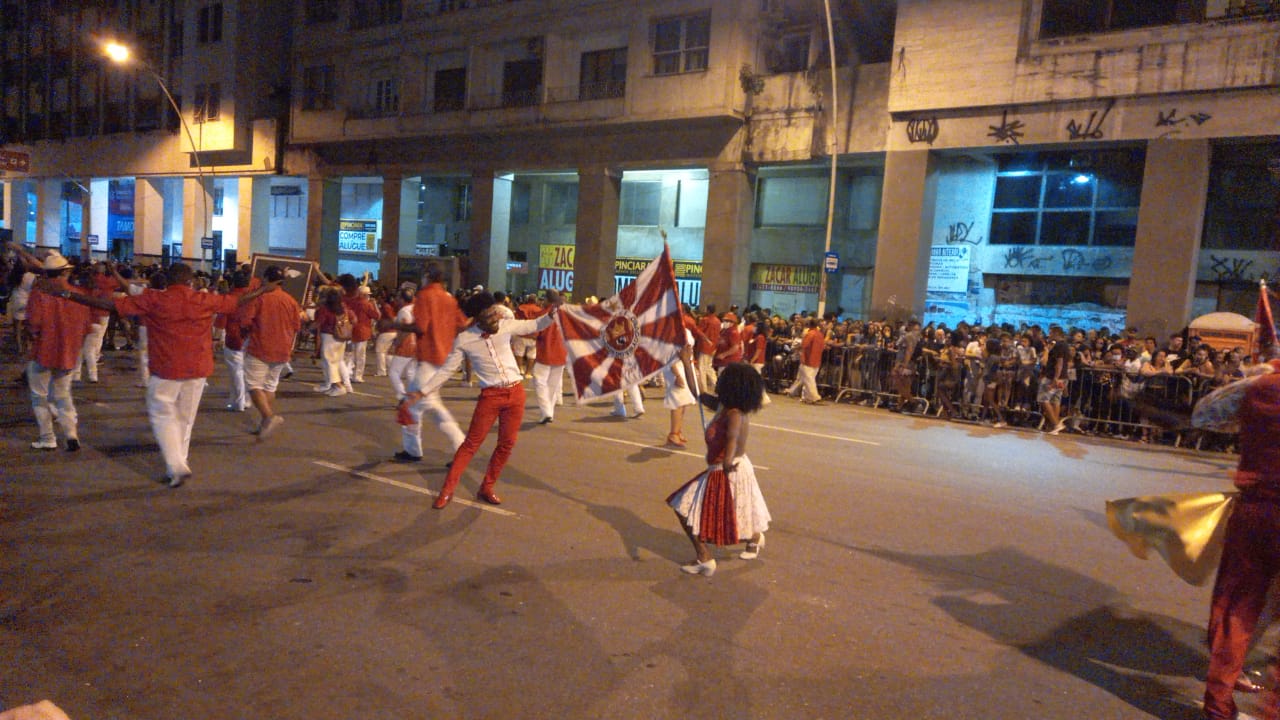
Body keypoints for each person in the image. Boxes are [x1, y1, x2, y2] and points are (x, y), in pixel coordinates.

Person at [50, 262, 274, 486]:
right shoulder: (203, 299)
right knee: (186, 419)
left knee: (162, 415)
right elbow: (236, 301)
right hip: (197, 368)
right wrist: (263, 289)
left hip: (166, 368)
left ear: (167, 281)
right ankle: (180, 462)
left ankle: (176, 465)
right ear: (190, 281)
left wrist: (68, 294)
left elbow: (108, 304)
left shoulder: (154, 299)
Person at [417, 290, 561, 508]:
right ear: (478, 318)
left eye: (495, 312)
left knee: (507, 444)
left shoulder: (505, 324)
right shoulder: (464, 339)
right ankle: (446, 491)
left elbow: (534, 326)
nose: (496, 318)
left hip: (516, 392)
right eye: (490, 316)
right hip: (491, 396)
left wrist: (552, 313)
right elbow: (447, 370)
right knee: (471, 444)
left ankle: (487, 487)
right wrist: (423, 391)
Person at [1201, 356, 1280, 720]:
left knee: (1238, 608)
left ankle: (1218, 704)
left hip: (1255, 510)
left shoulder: (1260, 385)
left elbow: (1205, 414)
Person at [666, 362, 771, 577]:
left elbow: (732, 439)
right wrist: (687, 362)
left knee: (683, 507)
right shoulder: (724, 406)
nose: (719, 382)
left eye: (724, 379)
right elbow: (697, 392)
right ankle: (753, 538)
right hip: (726, 468)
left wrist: (727, 461)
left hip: (726, 470)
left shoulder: (734, 414)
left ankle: (704, 558)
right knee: (733, 513)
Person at [395, 263, 468, 462]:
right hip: (443, 357)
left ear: (427, 275)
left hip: (428, 357)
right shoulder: (449, 298)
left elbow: (420, 327)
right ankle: (460, 447)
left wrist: (397, 325)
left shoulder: (425, 295)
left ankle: (414, 450)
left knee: (412, 406)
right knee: (432, 407)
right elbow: (462, 324)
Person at [24, 251, 92, 451]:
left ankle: (48, 438)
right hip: (68, 354)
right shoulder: (78, 294)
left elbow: (33, 323)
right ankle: (71, 434)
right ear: (65, 273)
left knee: (39, 396)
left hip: (43, 351)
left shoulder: (39, 294)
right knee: (63, 395)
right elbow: (86, 327)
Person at [239, 265, 304, 439]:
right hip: (282, 350)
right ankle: (264, 423)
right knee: (269, 386)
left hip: (261, 347)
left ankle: (269, 417)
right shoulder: (291, 301)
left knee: (253, 385)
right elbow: (297, 326)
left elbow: (245, 321)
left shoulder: (260, 298)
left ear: (266, 279)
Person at [530, 289, 567, 424]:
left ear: (547, 299)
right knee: (553, 384)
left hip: (546, 352)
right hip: (561, 352)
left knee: (540, 381)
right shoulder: (565, 314)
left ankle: (546, 412)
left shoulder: (543, 314)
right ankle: (549, 411)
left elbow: (535, 333)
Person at [219, 271, 253, 412]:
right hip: (251, 337)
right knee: (245, 371)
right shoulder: (254, 297)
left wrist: (216, 338)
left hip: (233, 337)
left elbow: (221, 321)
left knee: (236, 371)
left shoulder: (229, 298)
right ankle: (243, 400)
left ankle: (239, 401)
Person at [313, 287, 352, 397]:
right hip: (340, 338)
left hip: (328, 337)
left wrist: (307, 328)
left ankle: (338, 386)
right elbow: (353, 319)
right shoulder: (342, 308)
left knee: (329, 362)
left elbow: (319, 322)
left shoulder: (325, 309)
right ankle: (333, 385)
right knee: (336, 361)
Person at [786, 317, 826, 404]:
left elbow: (804, 345)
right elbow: (823, 347)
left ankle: (814, 396)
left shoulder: (810, 334)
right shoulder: (820, 334)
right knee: (805, 378)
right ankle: (804, 396)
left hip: (807, 359)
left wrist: (797, 347)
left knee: (808, 379)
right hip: (817, 359)